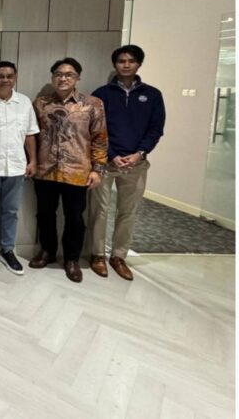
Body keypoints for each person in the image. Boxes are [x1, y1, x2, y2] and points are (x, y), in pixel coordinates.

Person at [88, 45, 165, 280]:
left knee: (128, 212)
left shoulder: (152, 95)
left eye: (131, 61)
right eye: (121, 61)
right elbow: (95, 128)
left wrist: (140, 153)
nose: (126, 65)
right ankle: (97, 255)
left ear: (139, 64)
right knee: (99, 211)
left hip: (136, 164)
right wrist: (111, 154)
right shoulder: (102, 94)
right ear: (115, 64)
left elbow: (156, 128)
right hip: (105, 162)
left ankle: (119, 256)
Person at [30, 57, 108, 283]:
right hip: (45, 171)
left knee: (75, 218)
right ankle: (47, 251)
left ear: (77, 78)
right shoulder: (41, 104)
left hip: (77, 172)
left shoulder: (92, 104)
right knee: (45, 214)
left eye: (69, 74)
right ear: (52, 78)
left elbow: (100, 138)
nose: (63, 78)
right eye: (58, 74)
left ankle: (71, 258)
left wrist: (97, 169)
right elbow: (31, 136)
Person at [0, 61, 39, 275]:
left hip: (16, 166)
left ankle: (7, 250)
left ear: (15, 78)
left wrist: (33, 161)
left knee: (11, 211)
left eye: (9, 76)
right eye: (1, 76)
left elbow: (30, 134)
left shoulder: (24, 102)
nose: (5, 80)